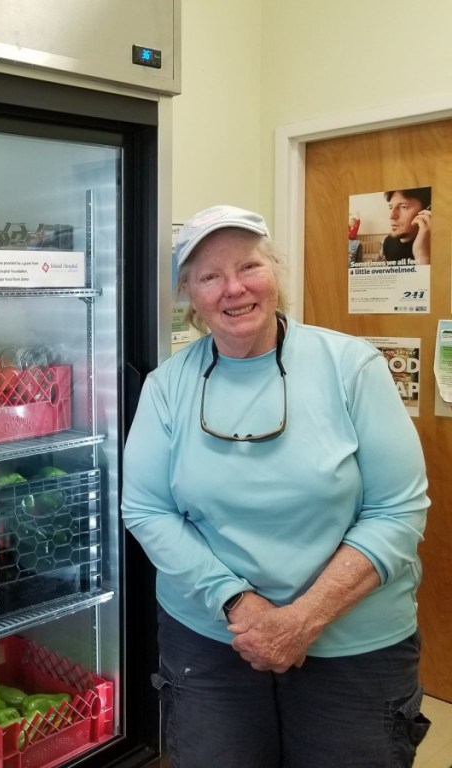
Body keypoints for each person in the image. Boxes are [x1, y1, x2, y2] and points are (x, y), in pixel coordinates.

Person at [123, 204, 431, 767]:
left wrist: (301, 620)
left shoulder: (352, 367)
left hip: (353, 647)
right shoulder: (167, 387)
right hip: (211, 642)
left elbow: (398, 511)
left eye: (249, 267)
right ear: (189, 294)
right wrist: (238, 603)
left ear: (276, 272)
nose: (233, 289)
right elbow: (146, 509)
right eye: (209, 276)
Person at [382, 187, 431, 264]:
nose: (392, 216)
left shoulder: (437, 246)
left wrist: (422, 256)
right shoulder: (388, 242)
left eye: (404, 207)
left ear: (426, 211)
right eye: (391, 207)